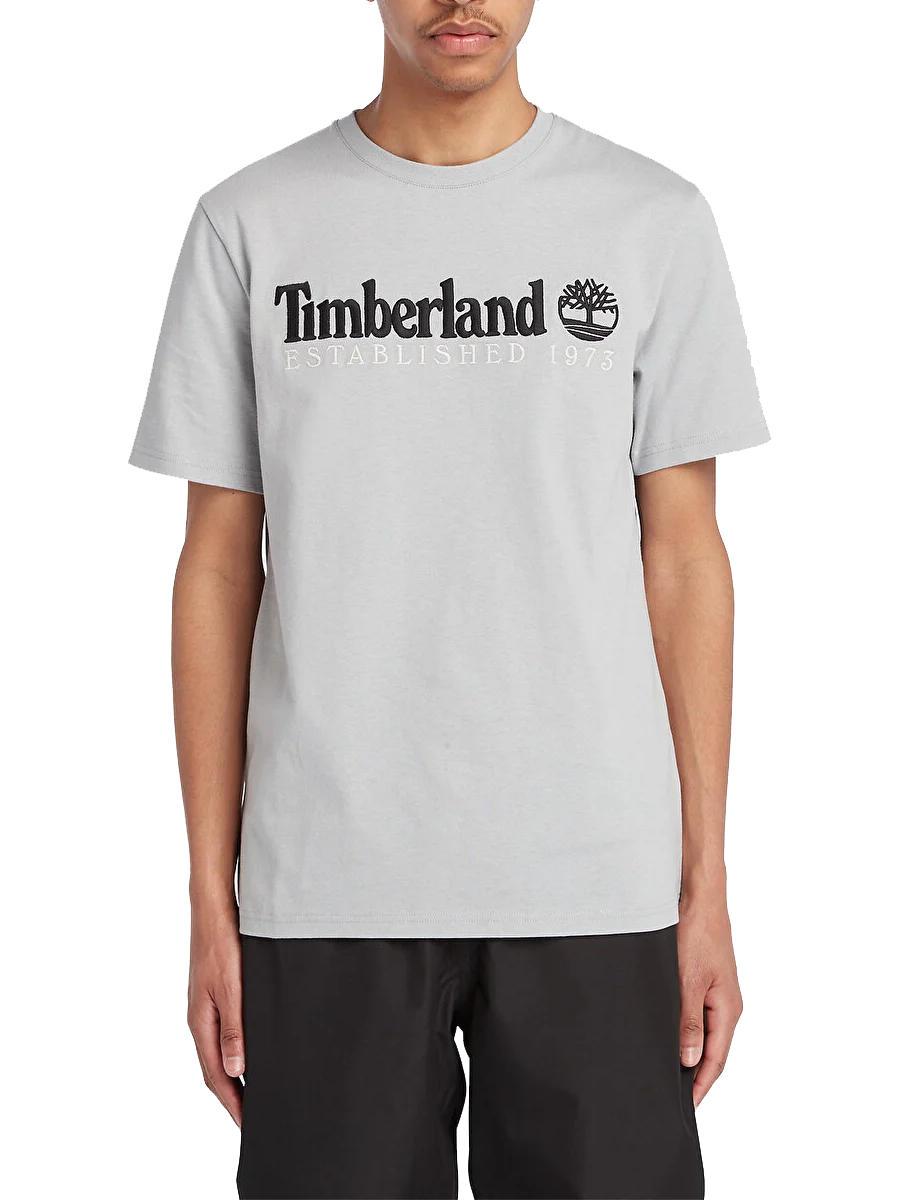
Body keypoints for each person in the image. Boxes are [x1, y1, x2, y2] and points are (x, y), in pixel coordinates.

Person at [129, 1, 769, 1196]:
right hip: (325, 882)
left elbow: (685, 557)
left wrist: (708, 884)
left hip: (595, 875)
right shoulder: (251, 222)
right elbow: (215, 564)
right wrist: (209, 898)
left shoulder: (651, 221)